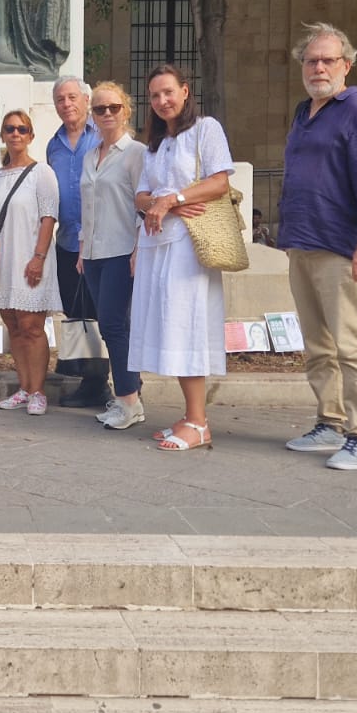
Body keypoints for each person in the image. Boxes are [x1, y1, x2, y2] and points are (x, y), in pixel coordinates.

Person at [278, 22, 357, 471]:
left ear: (347, 65)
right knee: (318, 345)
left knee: (353, 345)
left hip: (342, 248)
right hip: (302, 244)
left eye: (328, 60)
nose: (319, 68)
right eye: (311, 61)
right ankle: (329, 422)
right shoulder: (304, 113)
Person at [128, 63, 235, 452]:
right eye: (155, 95)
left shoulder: (205, 129)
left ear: (186, 91)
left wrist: (173, 199)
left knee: (187, 325)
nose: (162, 101)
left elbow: (220, 180)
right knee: (168, 326)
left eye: (168, 92)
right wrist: (161, 204)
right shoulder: (156, 144)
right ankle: (190, 415)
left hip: (189, 245)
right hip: (157, 244)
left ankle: (199, 422)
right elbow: (140, 196)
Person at [0, 108, 62, 415]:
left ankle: (38, 390)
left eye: (21, 129)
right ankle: (24, 387)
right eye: (10, 129)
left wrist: (38, 257)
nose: (15, 134)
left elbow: (48, 216)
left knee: (32, 326)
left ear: (30, 136)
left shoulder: (42, 172)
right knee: (13, 325)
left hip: (30, 256)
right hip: (2, 260)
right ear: (2, 135)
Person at [78, 80, 146, 430]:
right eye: (99, 108)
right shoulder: (90, 156)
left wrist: (138, 247)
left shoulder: (136, 153)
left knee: (114, 325)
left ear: (126, 111)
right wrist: (81, 247)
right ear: (92, 114)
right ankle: (129, 399)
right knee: (112, 326)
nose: (107, 113)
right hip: (93, 252)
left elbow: (143, 204)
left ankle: (129, 401)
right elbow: (87, 206)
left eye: (113, 107)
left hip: (121, 250)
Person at [46, 75, 108, 408]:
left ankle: (126, 385)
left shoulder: (102, 136)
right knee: (77, 313)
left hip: (102, 243)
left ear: (86, 99)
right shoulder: (53, 145)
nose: (66, 104)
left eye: (72, 97)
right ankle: (92, 383)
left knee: (106, 315)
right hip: (68, 243)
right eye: (60, 99)